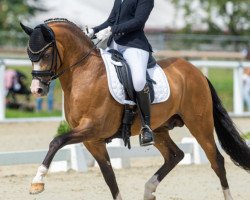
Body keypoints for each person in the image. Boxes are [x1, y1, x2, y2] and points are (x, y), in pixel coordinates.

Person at [85, 0, 155, 146]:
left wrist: (112, 30)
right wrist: (94, 31)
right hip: (113, 46)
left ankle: (146, 126)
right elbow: (111, 20)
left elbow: (138, 21)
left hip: (134, 46)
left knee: (138, 82)